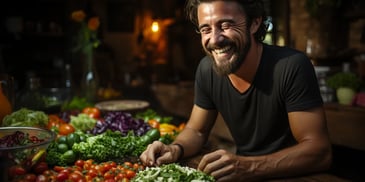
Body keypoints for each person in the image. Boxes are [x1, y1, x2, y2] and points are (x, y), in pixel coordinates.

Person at [139, 0, 332, 181]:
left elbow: (320, 152)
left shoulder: (291, 66)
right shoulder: (207, 69)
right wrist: (175, 149)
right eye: (206, 29)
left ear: (255, 23)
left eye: (225, 25)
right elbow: (196, 131)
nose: (215, 39)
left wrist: (248, 167)